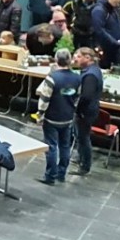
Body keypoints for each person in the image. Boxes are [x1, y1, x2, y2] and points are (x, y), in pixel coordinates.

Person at [36, 49, 84, 185]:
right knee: (65, 146)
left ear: (56, 60)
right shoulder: (78, 78)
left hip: (52, 118)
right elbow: (77, 97)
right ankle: (61, 174)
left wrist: (40, 114)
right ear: (69, 61)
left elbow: (45, 99)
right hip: (67, 117)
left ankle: (50, 176)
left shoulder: (52, 78)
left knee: (51, 146)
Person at [71, 47, 104, 176]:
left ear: (87, 58)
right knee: (80, 136)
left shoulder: (90, 75)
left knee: (83, 138)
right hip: (89, 109)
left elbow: (86, 96)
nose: (75, 59)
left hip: (86, 111)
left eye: (78, 56)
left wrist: (78, 110)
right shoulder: (94, 70)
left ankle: (85, 166)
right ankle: (80, 158)